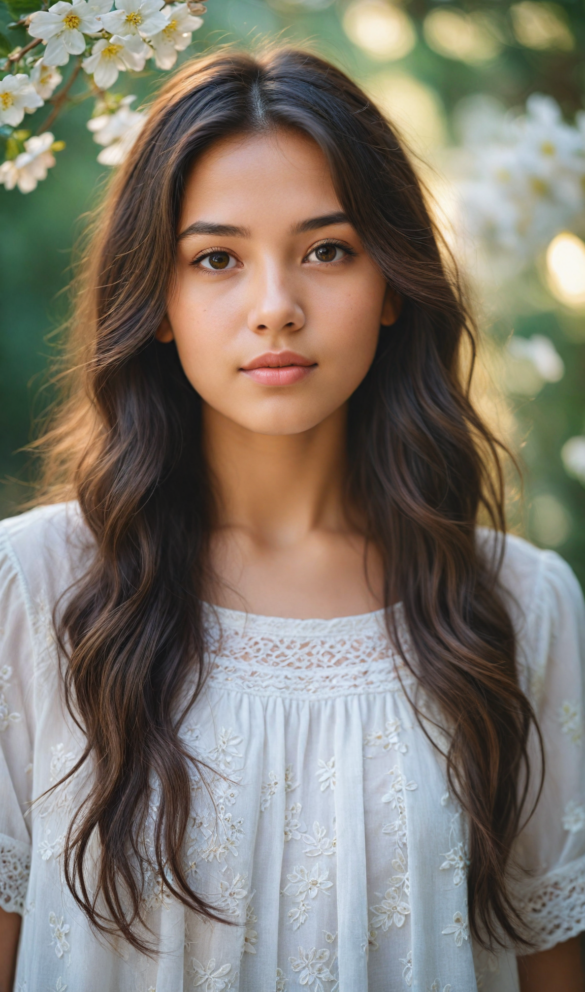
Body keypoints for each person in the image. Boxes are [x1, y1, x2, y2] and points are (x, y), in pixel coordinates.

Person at [0, 48, 584, 992]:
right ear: (157, 302)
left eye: (326, 250)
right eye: (216, 259)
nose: (275, 308)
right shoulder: (33, 588)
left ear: (391, 283)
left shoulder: (520, 606)